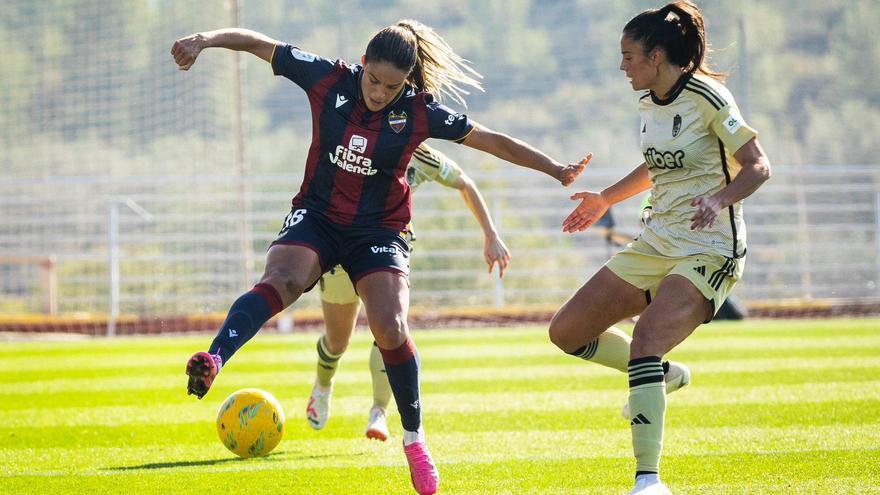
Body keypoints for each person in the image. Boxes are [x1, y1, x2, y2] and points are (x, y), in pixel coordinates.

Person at [171, 20, 587, 495]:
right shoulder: (327, 78)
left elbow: (491, 139)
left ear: (406, 82)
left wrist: (554, 168)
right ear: (362, 64)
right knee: (283, 280)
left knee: (390, 326)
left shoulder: (419, 112)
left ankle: (414, 439)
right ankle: (215, 356)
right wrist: (203, 40)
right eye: (373, 80)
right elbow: (259, 43)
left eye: (392, 87)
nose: (379, 93)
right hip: (318, 216)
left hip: (379, 229)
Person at [547, 2, 771, 494]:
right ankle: (660, 375)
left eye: (629, 56)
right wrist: (605, 196)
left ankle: (648, 481)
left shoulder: (710, 97)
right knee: (567, 331)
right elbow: (658, 166)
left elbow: (757, 166)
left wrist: (720, 199)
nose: (621, 66)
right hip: (657, 239)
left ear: (656, 55)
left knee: (646, 338)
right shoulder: (649, 100)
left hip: (710, 247)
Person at [308, 142, 510, 441]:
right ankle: (323, 386)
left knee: (388, 330)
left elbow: (464, 183)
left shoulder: (419, 151)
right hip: (340, 249)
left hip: (386, 251)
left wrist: (491, 235)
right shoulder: (356, 135)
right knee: (338, 341)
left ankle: (379, 411)